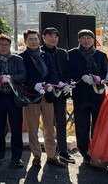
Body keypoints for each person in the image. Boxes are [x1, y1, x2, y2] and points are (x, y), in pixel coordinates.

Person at [19, 29, 65, 168]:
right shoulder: (21, 57)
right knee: (33, 127)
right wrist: (34, 85)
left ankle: (51, 155)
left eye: (35, 39)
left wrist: (51, 83)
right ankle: (37, 155)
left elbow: (53, 72)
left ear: (39, 39)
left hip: (48, 95)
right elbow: (23, 76)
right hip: (32, 96)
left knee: (49, 127)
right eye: (30, 39)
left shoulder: (46, 55)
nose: (34, 41)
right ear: (25, 41)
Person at [0, 33, 26, 167]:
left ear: (10, 45)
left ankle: (16, 157)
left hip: (14, 99)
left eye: (6, 44)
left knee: (16, 128)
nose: (3, 47)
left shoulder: (17, 59)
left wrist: (12, 77)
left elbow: (23, 75)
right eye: (0, 44)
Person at [68, 29, 108, 163]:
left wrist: (97, 78)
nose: (86, 40)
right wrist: (80, 77)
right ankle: (84, 150)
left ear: (93, 40)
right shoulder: (72, 54)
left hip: (98, 95)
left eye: (89, 38)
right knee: (81, 124)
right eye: (83, 38)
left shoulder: (101, 55)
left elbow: (105, 74)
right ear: (78, 40)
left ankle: (96, 149)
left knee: (98, 123)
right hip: (80, 94)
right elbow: (69, 72)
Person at [41, 27, 73, 164]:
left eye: (56, 36)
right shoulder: (40, 52)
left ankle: (63, 151)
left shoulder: (62, 53)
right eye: (50, 36)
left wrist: (66, 83)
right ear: (43, 37)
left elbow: (67, 70)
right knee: (48, 124)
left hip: (61, 93)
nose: (53, 39)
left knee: (61, 122)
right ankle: (51, 153)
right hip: (46, 92)